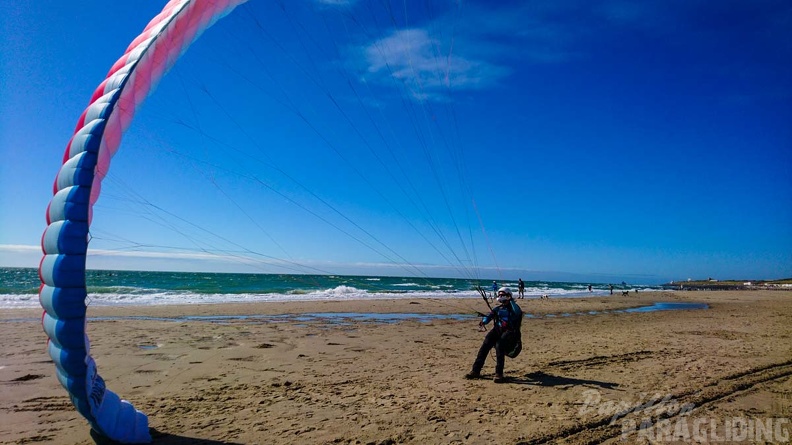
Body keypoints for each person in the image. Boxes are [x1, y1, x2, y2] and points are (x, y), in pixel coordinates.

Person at [465, 287, 523, 383]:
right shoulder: (498, 309)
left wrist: (511, 300)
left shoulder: (514, 308)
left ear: (508, 296)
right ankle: (475, 371)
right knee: (486, 344)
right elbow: (489, 317)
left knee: (499, 345)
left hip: (510, 331)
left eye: (502, 295)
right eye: (499, 295)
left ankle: (499, 374)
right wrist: (484, 322)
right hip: (498, 330)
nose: (500, 297)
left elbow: (517, 312)